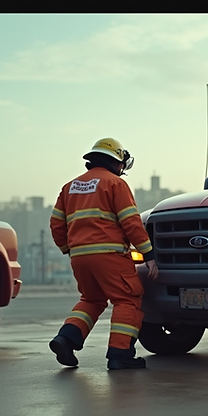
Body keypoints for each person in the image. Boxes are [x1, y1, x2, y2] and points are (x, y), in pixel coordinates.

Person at [49, 138, 159, 370]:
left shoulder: (70, 187)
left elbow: (56, 224)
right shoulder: (115, 184)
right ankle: (120, 354)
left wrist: (69, 249)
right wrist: (148, 254)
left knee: (91, 299)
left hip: (80, 257)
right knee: (127, 299)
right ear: (116, 162)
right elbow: (131, 222)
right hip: (109, 255)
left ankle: (66, 339)